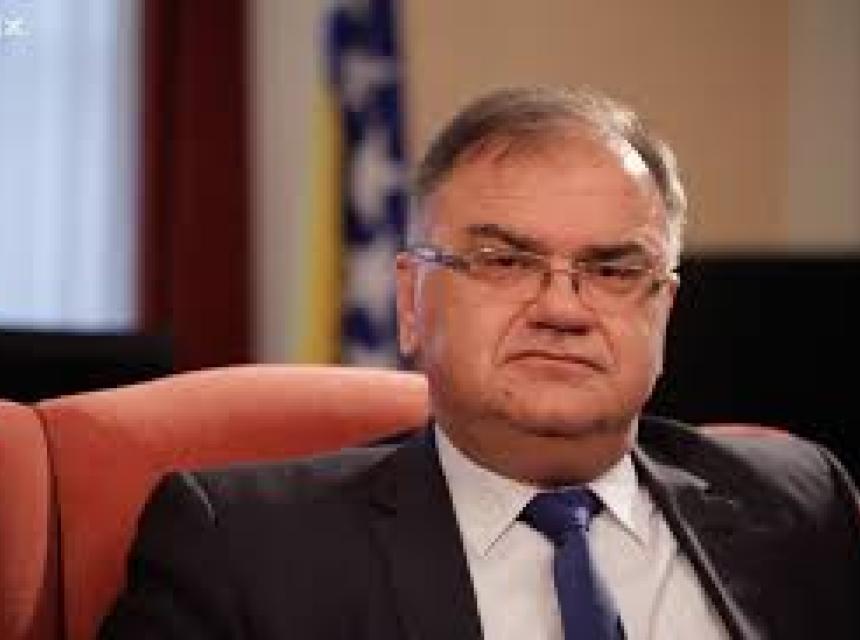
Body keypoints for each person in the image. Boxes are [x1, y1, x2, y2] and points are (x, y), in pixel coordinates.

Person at [100, 87, 860, 639]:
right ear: (410, 301)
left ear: (663, 306)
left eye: (612, 269)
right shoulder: (245, 548)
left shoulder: (801, 504)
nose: (562, 309)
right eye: (504, 261)